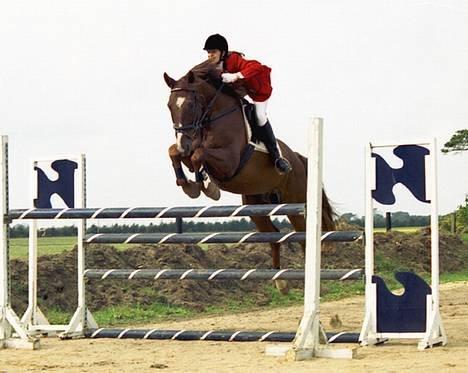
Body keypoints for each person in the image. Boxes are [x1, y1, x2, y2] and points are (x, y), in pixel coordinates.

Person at [203, 34, 292, 175]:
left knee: (259, 116)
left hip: (259, 90)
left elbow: (257, 66)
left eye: (213, 52)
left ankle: (277, 157)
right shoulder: (214, 64)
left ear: (223, 52)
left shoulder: (235, 59)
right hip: (241, 89)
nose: (210, 55)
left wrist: (236, 75)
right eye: (208, 52)